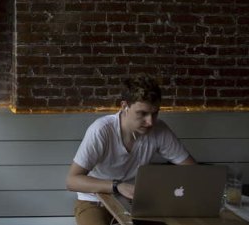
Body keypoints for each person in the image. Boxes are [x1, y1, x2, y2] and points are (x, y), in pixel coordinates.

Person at [66, 74, 196, 225]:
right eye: (142, 113)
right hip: (94, 201)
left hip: (135, 202)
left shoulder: (159, 129)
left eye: (155, 113)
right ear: (124, 106)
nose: (150, 122)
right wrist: (117, 186)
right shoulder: (101, 130)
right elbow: (72, 181)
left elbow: (193, 171)